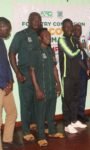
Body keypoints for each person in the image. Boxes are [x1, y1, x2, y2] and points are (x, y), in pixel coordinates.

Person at [9, 12, 42, 141]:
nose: (37, 22)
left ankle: (34, 124)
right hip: (25, 74)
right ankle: (25, 130)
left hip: (38, 73)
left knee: (37, 100)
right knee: (26, 102)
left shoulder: (40, 36)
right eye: (34, 19)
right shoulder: (21, 35)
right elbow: (11, 53)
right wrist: (17, 72)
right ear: (29, 21)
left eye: (39, 20)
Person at [29, 28, 64, 147]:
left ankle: (52, 132)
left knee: (50, 112)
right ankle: (41, 137)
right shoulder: (35, 52)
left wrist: (58, 83)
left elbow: (54, 68)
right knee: (40, 113)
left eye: (49, 35)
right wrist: (37, 89)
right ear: (40, 38)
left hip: (51, 87)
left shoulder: (50, 51)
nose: (49, 37)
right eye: (46, 36)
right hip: (41, 88)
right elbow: (32, 71)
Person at [58, 19, 87, 134]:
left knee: (75, 99)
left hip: (76, 76)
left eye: (71, 26)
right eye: (67, 26)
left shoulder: (73, 39)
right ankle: (66, 124)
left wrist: (86, 69)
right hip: (67, 76)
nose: (70, 28)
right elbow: (71, 54)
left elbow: (79, 58)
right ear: (63, 28)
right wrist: (79, 47)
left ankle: (74, 121)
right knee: (67, 101)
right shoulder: (62, 40)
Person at [0, 17, 17, 150]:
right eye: (8, 29)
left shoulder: (1, 41)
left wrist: (11, 80)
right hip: (1, 87)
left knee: (12, 112)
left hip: (6, 86)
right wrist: (2, 84)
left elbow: (5, 62)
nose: (9, 32)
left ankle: (7, 140)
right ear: (1, 26)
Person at [72, 24, 89, 123]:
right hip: (77, 71)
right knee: (77, 94)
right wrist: (86, 69)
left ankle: (81, 114)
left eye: (80, 29)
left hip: (83, 72)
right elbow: (77, 59)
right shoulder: (72, 41)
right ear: (73, 30)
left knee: (83, 93)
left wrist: (88, 68)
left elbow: (84, 57)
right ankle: (75, 116)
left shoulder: (80, 42)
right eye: (76, 29)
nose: (79, 31)